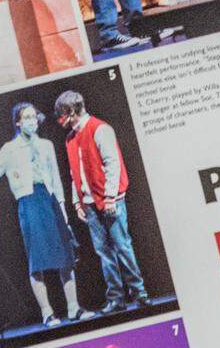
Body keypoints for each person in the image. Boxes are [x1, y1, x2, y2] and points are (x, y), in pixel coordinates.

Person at [0, 102, 95, 328]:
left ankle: (73, 307)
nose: (32, 121)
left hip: (49, 200)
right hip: (29, 203)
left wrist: (63, 207)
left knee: (65, 257)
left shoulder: (46, 145)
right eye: (26, 118)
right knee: (37, 261)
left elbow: (56, 178)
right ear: (18, 122)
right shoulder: (10, 149)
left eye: (34, 117)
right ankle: (47, 313)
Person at [53, 91, 149, 317]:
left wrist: (109, 198)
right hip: (89, 204)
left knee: (122, 246)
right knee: (104, 253)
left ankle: (139, 293)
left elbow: (112, 164)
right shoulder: (70, 139)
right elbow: (73, 172)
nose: (60, 120)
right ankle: (116, 298)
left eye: (62, 114)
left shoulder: (99, 129)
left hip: (109, 200)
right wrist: (77, 202)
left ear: (72, 111)